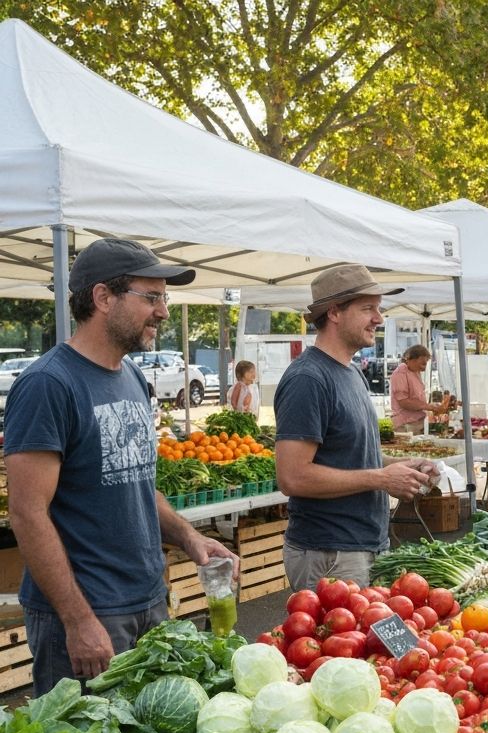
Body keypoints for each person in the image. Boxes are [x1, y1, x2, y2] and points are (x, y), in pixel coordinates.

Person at [3, 238, 238, 694]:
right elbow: (27, 513)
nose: (164, 311)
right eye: (151, 297)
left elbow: (137, 486)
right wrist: (78, 620)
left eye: (165, 298)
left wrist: (191, 539)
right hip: (88, 613)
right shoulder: (49, 385)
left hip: (147, 601)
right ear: (103, 297)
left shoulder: (130, 376)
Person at [273, 264, 439, 590]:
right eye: (368, 308)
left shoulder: (351, 372)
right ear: (334, 312)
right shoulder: (308, 379)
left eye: (379, 308)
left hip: (362, 545)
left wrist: (403, 467)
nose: (379, 318)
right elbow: (292, 476)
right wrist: (381, 478)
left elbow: (352, 456)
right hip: (330, 552)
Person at [390, 345, 448, 433]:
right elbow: (404, 402)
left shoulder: (414, 371)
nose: (424, 367)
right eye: (422, 363)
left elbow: (417, 398)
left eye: (426, 363)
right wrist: (429, 407)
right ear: (411, 360)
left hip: (416, 423)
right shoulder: (400, 373)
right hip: (405, 426)